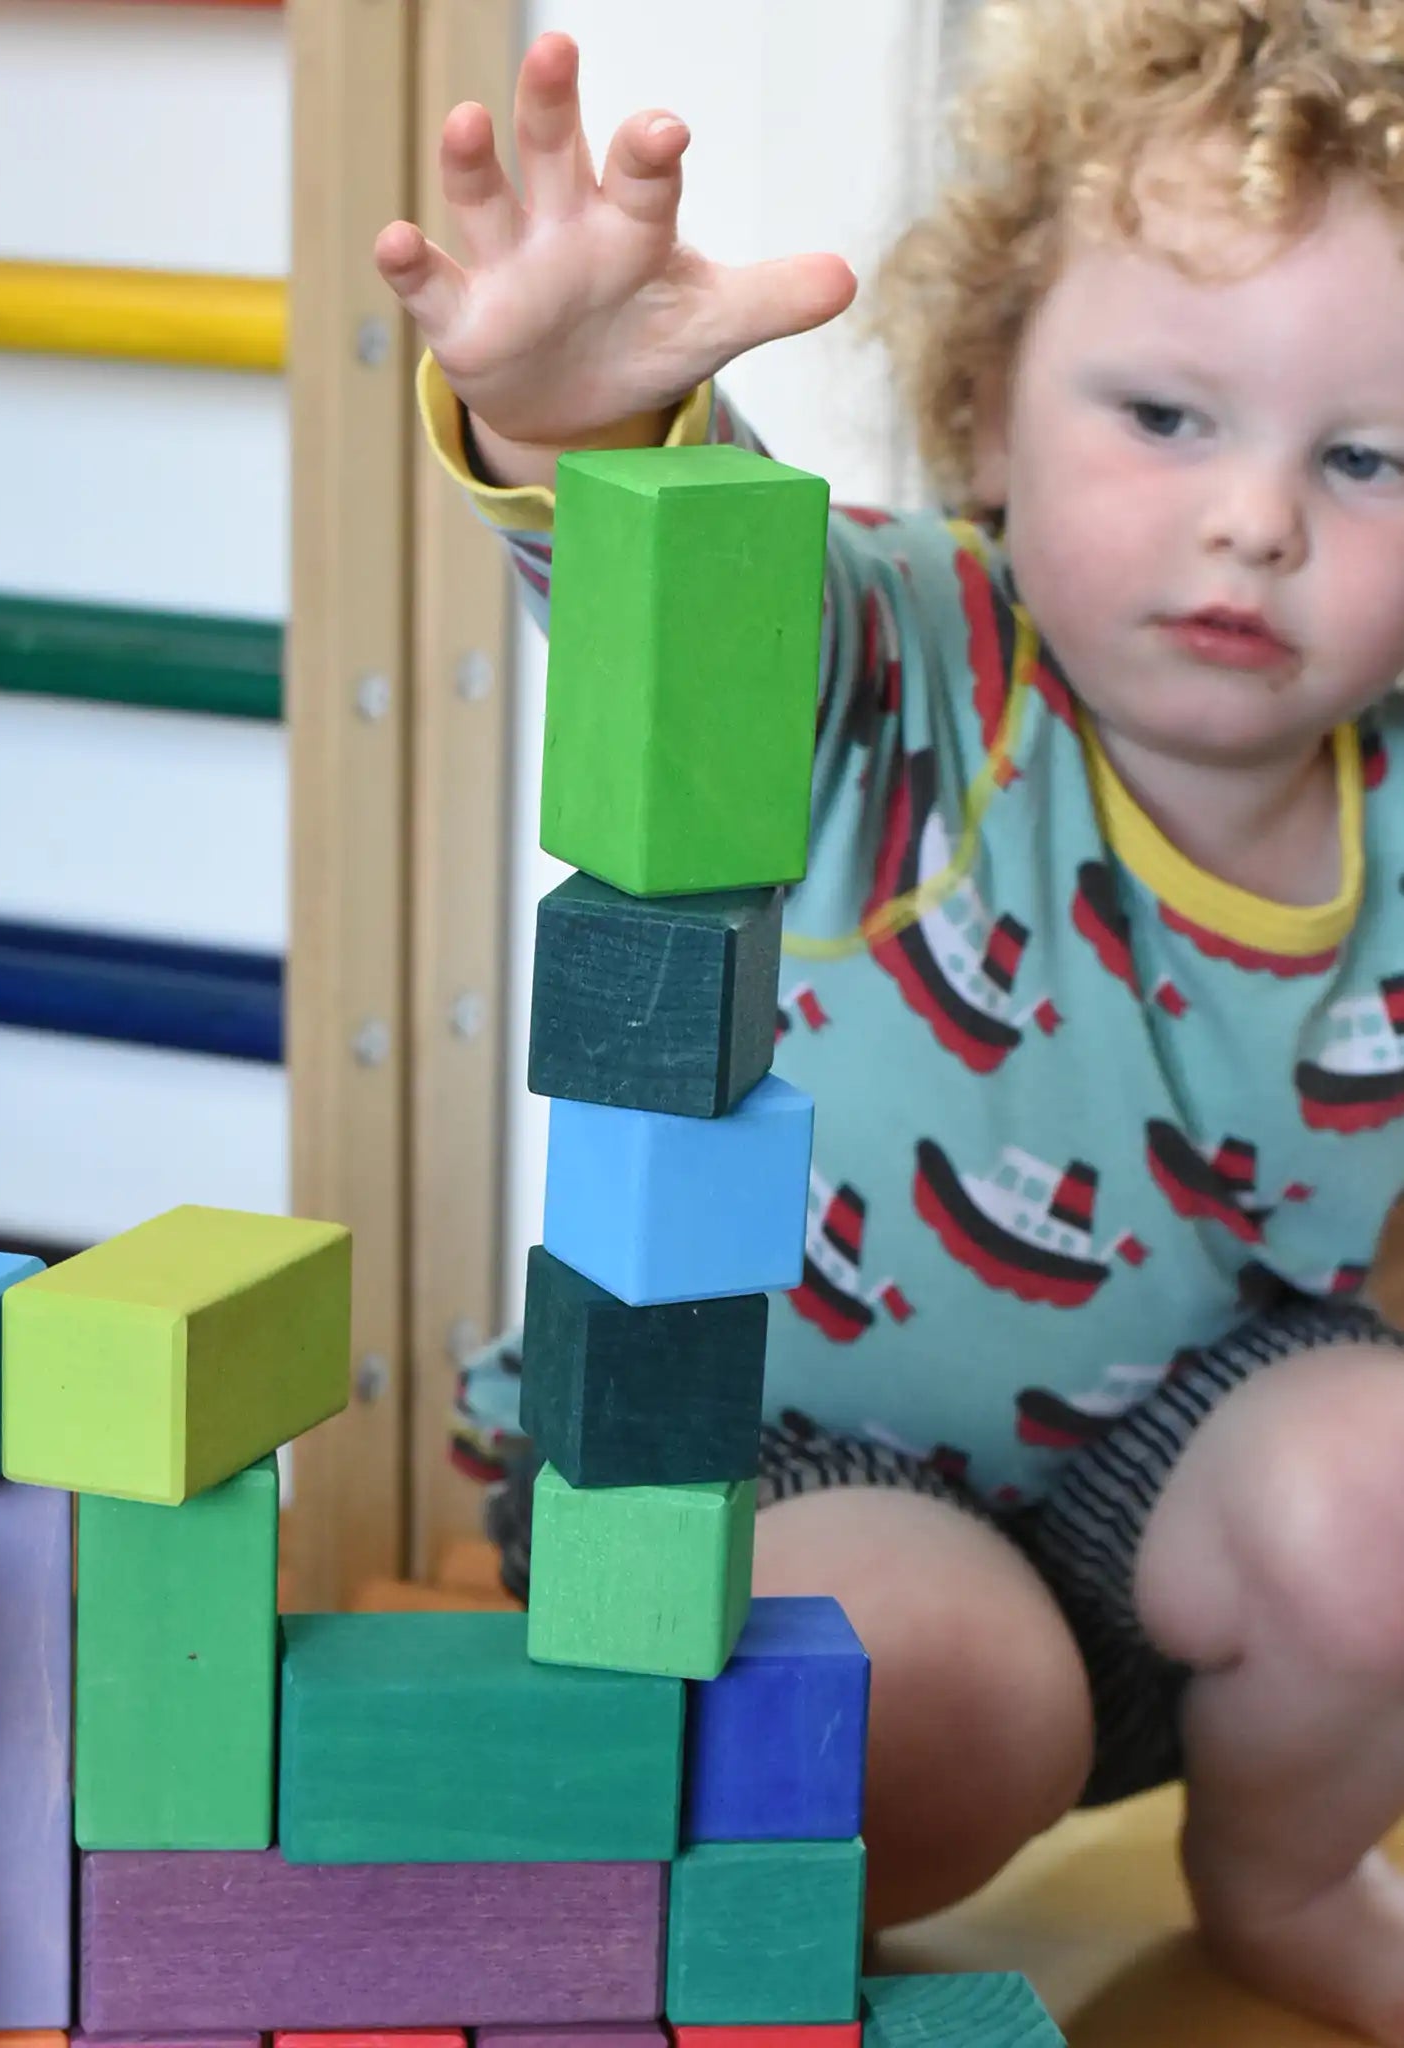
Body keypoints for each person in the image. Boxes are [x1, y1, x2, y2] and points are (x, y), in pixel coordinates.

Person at [375, 6, 1404, 2038]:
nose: (1256, 521)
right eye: (1165, 417)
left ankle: (1281, 1873)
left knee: (1379, 1482)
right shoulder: (921, 650)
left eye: (1363, 458)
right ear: (986, 396)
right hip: (753, 1483)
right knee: (936, 1680)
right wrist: (583, 429)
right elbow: (695, 602)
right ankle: (696, 1912)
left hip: (1153, 1509)